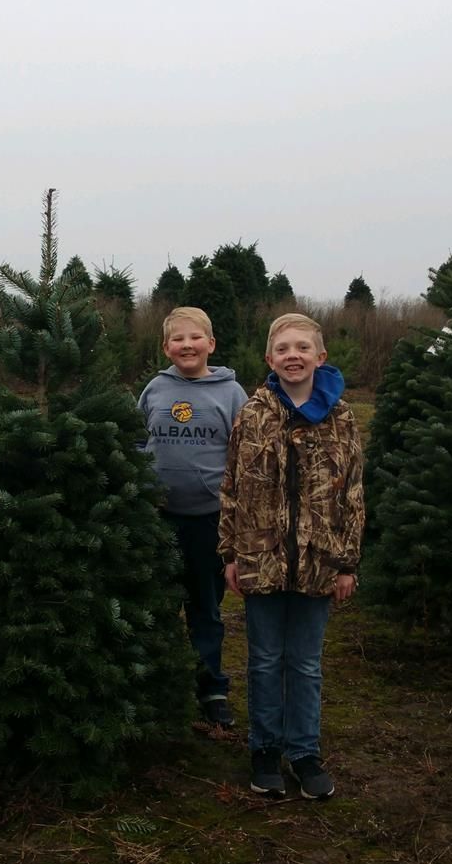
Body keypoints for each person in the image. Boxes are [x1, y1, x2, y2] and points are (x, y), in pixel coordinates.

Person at [219, 312, 364, 800]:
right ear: (269, 359)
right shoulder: (253, 414)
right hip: (261, 557)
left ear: (320, 357)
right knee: (263, 660)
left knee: (304, 663)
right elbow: (233, 489)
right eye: (283, 349)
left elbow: (354, 496)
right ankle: (264, 748)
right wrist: (231, 555)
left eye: (302, 347)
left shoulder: (342, 417)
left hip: (320, 560)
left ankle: (303, 751)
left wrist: (347, 563)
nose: (293, 356)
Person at [138, 306, 248, 727]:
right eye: (178, 339)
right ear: (166, 347)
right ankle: (163, 684)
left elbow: (241, 458)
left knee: (204, 606)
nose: (187, 345)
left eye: (195, 338)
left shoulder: (231, 393)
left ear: (211, 345)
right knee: (159, 604)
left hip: (208, 521)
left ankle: (211, 687)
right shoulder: (155, 390)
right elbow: (137, 440)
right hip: (158, 518)